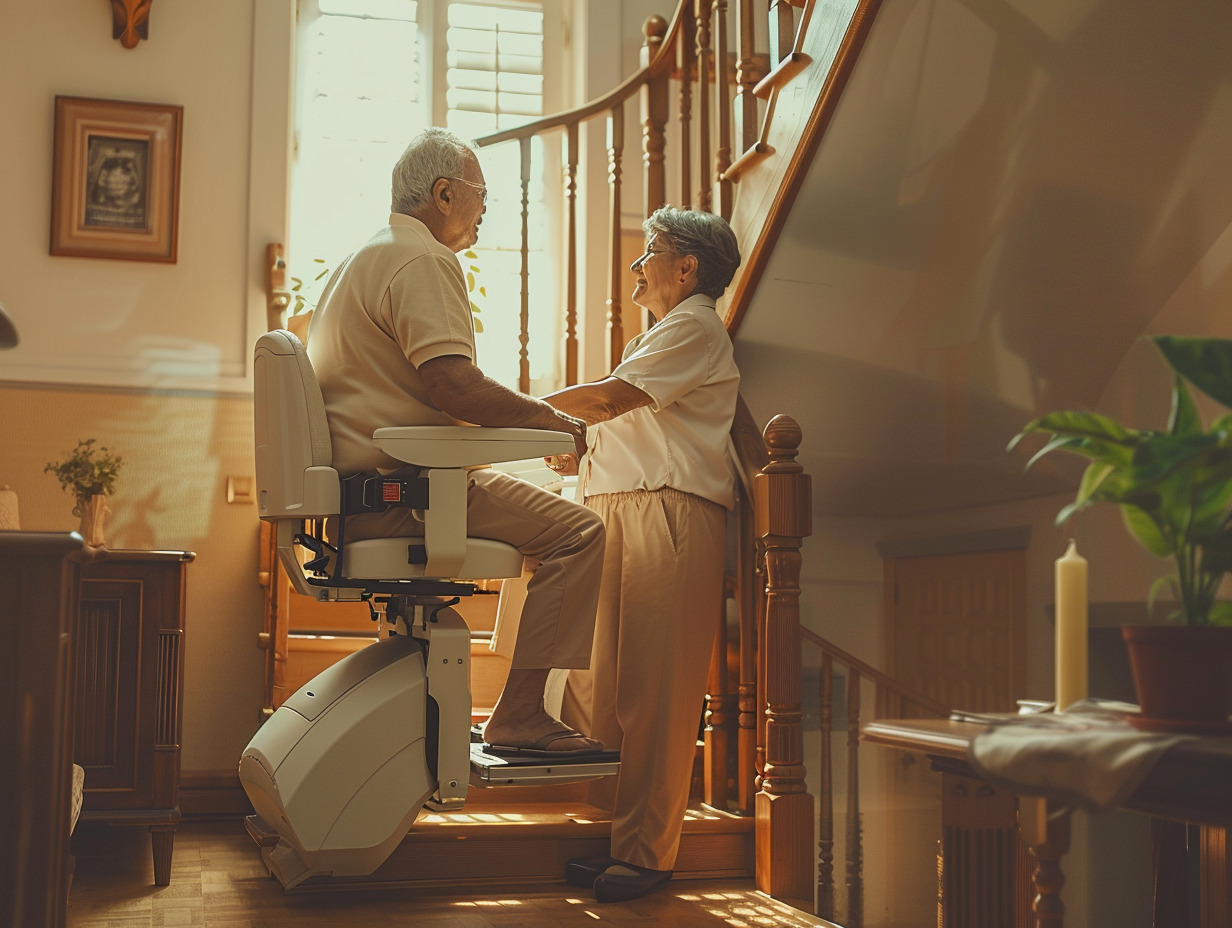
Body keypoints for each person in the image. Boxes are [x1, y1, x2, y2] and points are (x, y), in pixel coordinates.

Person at [305, 127, 606, 757]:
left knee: (539, 513)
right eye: (481, 196)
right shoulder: (424, 259)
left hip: (362, 498)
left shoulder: (354, 262)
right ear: (445, 194)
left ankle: (517, 706)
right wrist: (550, 420)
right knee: (580, 533)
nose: (486, 212)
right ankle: (521, 714)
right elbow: (454, 387)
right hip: (408, 497)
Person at [542, 206, 742, 902]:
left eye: (649, 253)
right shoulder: (665, 333)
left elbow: (611, 400)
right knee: (608, 685)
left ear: (687, 268)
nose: (637, 265)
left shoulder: (695, 325)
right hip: (622, 509)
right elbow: (613, 416)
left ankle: (648, 852)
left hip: (670, 510)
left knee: (656, 691)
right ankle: (621, 838)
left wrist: (524, 412)